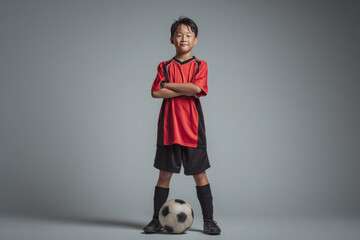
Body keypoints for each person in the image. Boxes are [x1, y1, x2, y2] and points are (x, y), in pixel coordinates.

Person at [143, 16, 221, 235]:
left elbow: (197, 89)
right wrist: (185, 87)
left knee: (200, 175)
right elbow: (156, 92)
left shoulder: (200, 65)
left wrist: (170, 85)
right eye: (179, 35)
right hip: (169, 130)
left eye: (188, 35)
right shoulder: (164, 66)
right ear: (171, 39)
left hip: (193, 130)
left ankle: (209, 221)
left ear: (195, 40)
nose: (183, 38)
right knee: (164, 176)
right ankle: (155, 220)